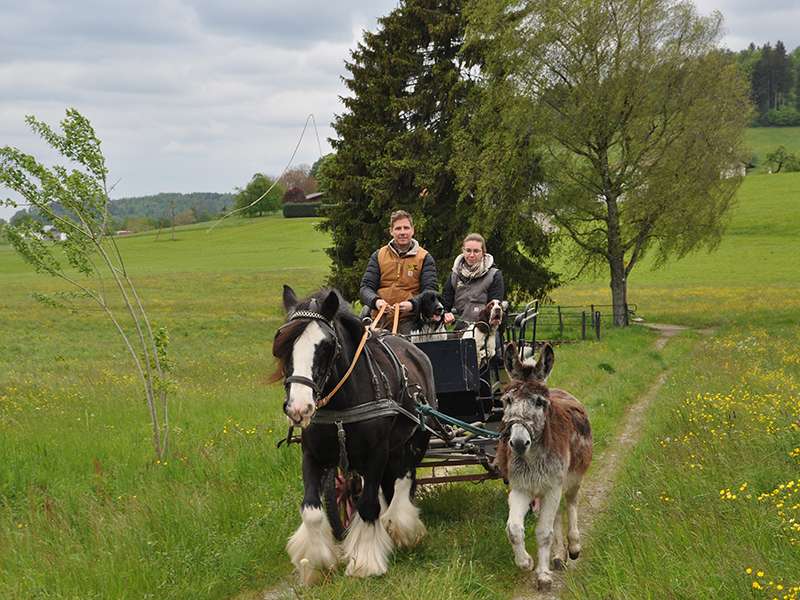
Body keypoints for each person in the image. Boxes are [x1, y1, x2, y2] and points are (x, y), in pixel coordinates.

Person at [359, 210, 438, 335]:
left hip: (409, 321)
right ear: (391, 231)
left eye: (406, 228)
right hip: (378, 318)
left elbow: (430, 292)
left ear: (412, 230)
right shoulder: (378, 255)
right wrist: (376, 302)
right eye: (398, 228)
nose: (402, 232)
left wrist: (411, 304)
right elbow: (365, 288)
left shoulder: (425, 257)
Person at [443, 233, 505, 328]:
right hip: (461, 327)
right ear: (463, 251)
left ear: (483, 252)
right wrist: (446, 313)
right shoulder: (454, 275)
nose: (471, 255)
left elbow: (495, 309)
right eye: (468, 251)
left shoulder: (495, 275)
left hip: (487, 327)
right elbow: (445, 304)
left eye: (476, 251)